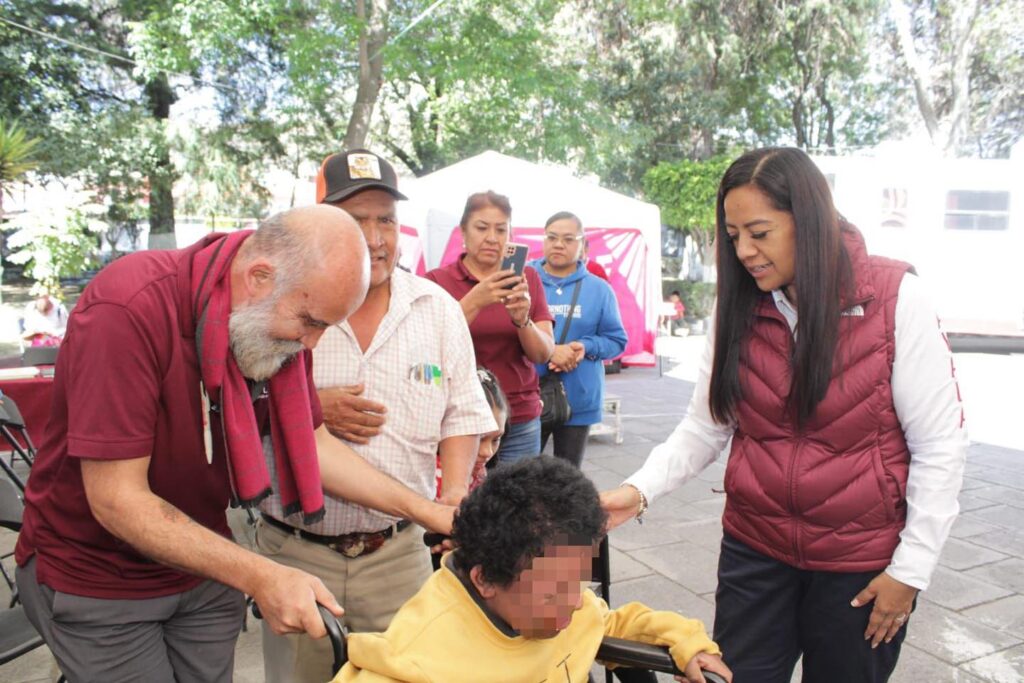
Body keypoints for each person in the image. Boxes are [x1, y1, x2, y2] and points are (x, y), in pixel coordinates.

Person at [14, 205, 456, 683]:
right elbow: (117, 500)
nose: (311, 345)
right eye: (310, 322)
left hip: (201, 567)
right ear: (259, 277)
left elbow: (314, 446)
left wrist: (426, 510)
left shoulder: (273, 320)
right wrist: (262, 574)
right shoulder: (128, 307)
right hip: (100, 576)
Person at [601, 147, 968, 683]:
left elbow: (940, 445)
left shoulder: (895, 299)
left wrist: (910, 572)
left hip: (859, 564)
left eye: (760, 232)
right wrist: (635, 493)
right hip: (756, 549)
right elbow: (707, 425)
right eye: (733, 236)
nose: (745, 252)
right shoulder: (741, 305)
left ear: (810, 221)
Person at [258, 149, 497, 683]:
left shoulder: (436, 309)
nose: (374, 238)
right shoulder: (286, 307)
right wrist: (310, 410)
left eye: (385, 219)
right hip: (297, 555)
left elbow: (462, 413)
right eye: (353, 219)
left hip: (399, 555)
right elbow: (242, 411)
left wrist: (455, 490)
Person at [333, 457, 732, 683]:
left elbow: (611, 621)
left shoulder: (556, 599)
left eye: (578, 581)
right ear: (485, 579)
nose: (575, 601)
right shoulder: (417, 660)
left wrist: (687, 640)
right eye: (555, 592)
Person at [425, 191, 554, 465]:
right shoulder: (436, 281)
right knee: (466, 504)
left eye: (501, 229)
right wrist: (474, 301)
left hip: (519, 417)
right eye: (481, 228)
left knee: (518, 503)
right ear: (463, 231)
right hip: (460, 419)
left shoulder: (527, 277)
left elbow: (543, 354)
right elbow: (428, 347)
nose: (492, 238)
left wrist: (522, 319)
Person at [530, 211, 627, 467]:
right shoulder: (523, 279)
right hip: (528, 396)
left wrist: (585, 346)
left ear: (583, 245)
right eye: (552, 237)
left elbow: (617, 340)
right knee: (521, 477)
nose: (558, 244)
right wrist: (550, 351)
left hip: (578, 399)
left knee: (567, 480)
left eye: (568, 238)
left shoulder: (600, 289)